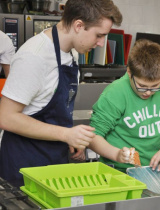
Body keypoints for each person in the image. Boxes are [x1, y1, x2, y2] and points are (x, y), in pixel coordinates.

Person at [0, 0, 123, 188]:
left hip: (54, 165)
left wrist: (74, 138)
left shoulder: (70, 55)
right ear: (78, 25)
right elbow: (6, 117)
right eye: (99, 35)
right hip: (24, 169)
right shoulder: (35, 56)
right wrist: (65, 134)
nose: (100, 44)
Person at [88, 39, 160, 173]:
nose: (148, 92)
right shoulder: (115, 93)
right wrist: (116, 154)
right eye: (142, 86)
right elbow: (93, 136)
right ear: (129, 72)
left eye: (155, 86)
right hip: (118, 170)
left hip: (154, 168)